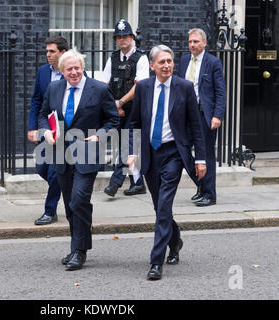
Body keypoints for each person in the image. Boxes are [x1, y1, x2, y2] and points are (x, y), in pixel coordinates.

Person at [127, 45, 206, 280]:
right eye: (162, 62)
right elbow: (133, 124)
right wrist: (130, 153)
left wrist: (200, 159)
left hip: (174, 154)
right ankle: (176, 241)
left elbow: (196, 127)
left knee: (163, 207)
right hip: (150, 153)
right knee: (159, 207)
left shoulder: (185, 88)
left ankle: (155, 262)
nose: (167, 66)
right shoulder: (142, 88)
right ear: (152, 66)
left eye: (170, 61)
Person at [39, 49, 120, 271]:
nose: (74, 72)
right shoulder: (54, 88)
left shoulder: (100, 90)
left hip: (87, 152)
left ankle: (80, 251)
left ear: (82, 68)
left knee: (78, 200)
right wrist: (45, 131)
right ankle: (78, 245)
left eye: (77, 68)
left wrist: (99, 135)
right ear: (62, 71)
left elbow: (113, 120)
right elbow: (44, 114)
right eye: (69, 69)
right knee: (69, 206)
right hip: (61, 154)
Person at [177, 28, 226, 207]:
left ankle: (209, 194)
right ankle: (200, 184)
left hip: (204, 115)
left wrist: (217, 115)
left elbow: (220, 92)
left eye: (196, 41)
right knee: (182, 150)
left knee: (205, 155)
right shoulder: (183, 61)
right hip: (185, 115)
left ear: (204, 43)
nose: (192, 45)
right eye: (190, 41)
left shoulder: (213, 62)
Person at [101, 19, 150, 197]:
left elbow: (140, 86)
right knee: (125, 146)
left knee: (127, 146)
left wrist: (120, 103)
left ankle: (115, 183)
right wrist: (112, 106)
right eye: (118, 37)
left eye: (125, 36)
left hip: (134, 110)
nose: (122, 40)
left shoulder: (141, 58)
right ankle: (138, 183)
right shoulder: (113, 58)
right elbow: (104, 84)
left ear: (132, 37)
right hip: (116, 109)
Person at [28, 36, 69, 226]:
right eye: (47, 51)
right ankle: (65, 180)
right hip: (46, 128)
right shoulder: (43, 72)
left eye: (51, 51)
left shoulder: (72, 71)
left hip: (66, 130)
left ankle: (49, 211)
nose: (48, 55)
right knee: (42, 167)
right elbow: (36, 100)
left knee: (54, 172)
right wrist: (32, 127)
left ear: (62, 52)